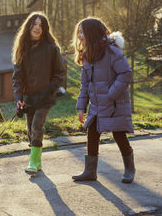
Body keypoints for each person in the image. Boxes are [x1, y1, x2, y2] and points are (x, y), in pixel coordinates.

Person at [72, 17, 135, 183]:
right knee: (92, 134)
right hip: (96, 106)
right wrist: (81, 108)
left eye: (82, 32)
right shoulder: (87, 55)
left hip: (114, 105)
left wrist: (110, 94)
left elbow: (126, 74)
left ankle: (129, 168)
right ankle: (90, 171)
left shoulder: (112, 52)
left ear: (91, 33)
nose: (79, 36)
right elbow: (85, 84)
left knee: (119, 135)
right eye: (78, 32)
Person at [12, 12, 66, 174]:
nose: (37, 28)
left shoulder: (51, 48)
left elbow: (60, 73)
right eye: (34, 24)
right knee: (30, 130)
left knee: (37, 126)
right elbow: (17, 77)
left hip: (45, 97)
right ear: (28, 26)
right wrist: (19, 98)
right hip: (29, 98)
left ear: (45, 29)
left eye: (40, 25)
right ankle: (38, 161)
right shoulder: (23, 49)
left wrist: (50, 89)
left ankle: (33, 164)